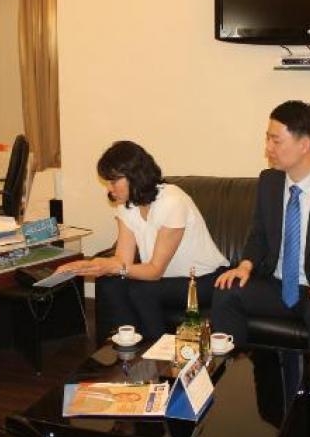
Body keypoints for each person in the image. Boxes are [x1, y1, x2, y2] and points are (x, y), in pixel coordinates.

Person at [211, 100, 310, 397]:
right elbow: (259, 234)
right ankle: (228, 387)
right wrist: (245, 265)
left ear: (304, 144)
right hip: (278, 285)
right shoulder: (269, 182)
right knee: (226, 290)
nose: (268, 148)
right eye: (267, 139)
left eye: (276, 140)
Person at [56, 140, 228, 340]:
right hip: (164, 279)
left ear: (134, 176)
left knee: (141, 290)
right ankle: (126, 348)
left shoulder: (172, 202)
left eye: (113, 182)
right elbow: (122, 260)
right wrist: (90, 265)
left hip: (202, 280)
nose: (109, 189)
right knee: (110, 285)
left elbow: (154, 271)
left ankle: (157, 350)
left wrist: (113, 267)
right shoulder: (126, 206)